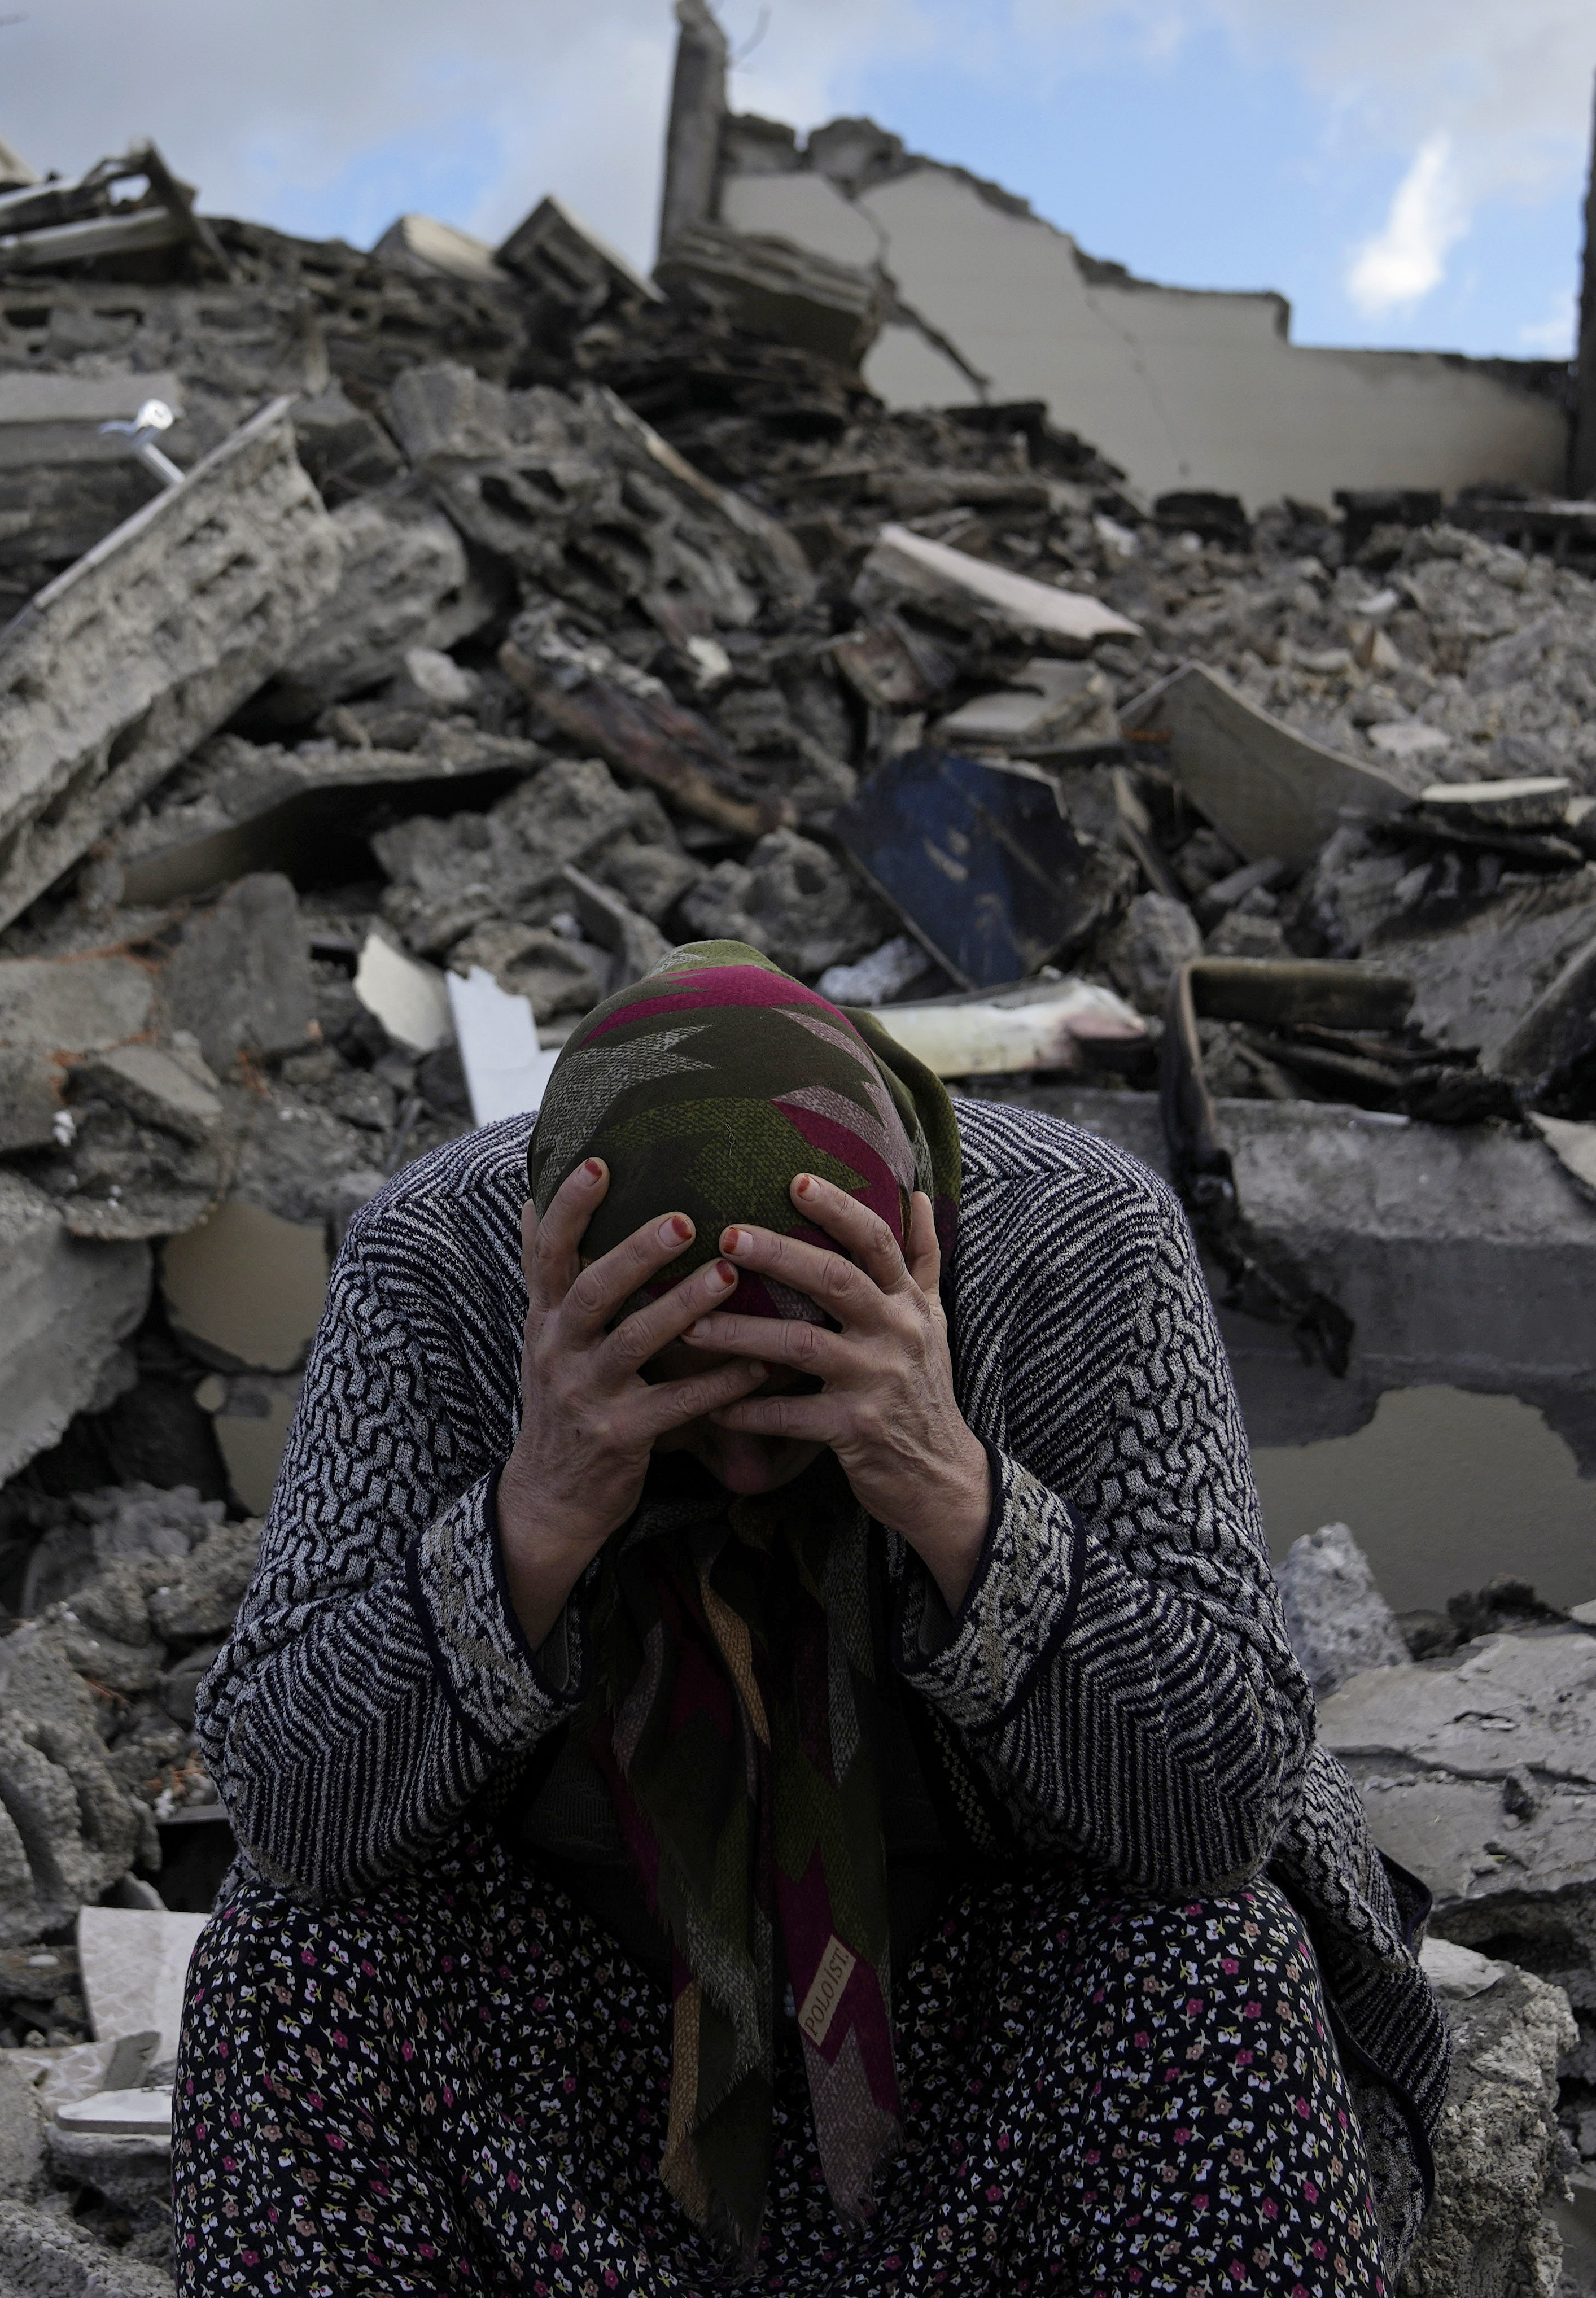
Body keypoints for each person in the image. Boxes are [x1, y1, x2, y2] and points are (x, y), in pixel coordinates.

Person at [181, 942, 1446, 2292]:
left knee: (1217, 1963)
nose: (735, 1475)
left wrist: (951, 1495)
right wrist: (533, 1521)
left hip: (985, 2014)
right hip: (590, 2036)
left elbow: (1220, 1805)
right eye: (691, 1416)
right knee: (283, 1961)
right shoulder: (442, 1267)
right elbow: (285, 1807)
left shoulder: (1082, 1247)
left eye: (785, 1422)